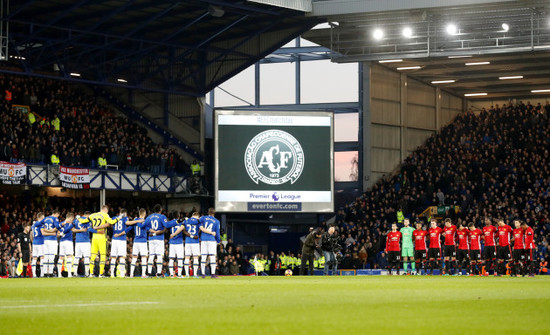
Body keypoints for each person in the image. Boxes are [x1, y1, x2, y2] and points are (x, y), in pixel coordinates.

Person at [78, 205, 122, 277]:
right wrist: (119, 218)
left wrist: (78, 217)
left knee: (93, 255)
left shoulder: (93, 215)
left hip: (94, 237)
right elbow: (111, 222)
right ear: (106, 210)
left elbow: (83, 221)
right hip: (101, 237)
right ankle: (100, 274)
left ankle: (91, 273)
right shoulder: (105, 215)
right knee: (102, 255)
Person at [109, 209, 143, 278]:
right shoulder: (125, 218)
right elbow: (127, 223)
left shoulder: (114, 218)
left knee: (113, 257)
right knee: (122, 257)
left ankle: (112, 274)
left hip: (114, 239)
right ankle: (122, 274)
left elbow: (110, 224)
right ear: (125, 214)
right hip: (121, 239)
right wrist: (137, 221)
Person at [166, 212, 195, 277]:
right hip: (179, 242)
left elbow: (166, 229)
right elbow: (184, 230)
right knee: (180, 259)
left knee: (171, 259)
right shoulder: (181, 222)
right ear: (178, 216)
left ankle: (171, 274)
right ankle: (179, 274)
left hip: (172, 242)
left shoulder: (171, 222)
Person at [144, 204, 167, 277]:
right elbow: (165, 227)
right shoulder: (162, 217)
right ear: (160, 210)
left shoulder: (149, 217)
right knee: (159, 256)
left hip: (151, 239)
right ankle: (159, 273)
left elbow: (144, 226)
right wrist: (158, 232)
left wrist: (151, 231)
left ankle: (149, 273)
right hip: (159, 239)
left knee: (151, 255)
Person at [199, 208, 221, 278]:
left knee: (203, 257)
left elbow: (198, 224)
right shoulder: (217, 221)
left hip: (203, 239)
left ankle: (203, 274)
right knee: (212, 257)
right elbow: (217, 233)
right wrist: (218, 241)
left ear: (208, 212)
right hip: (211, 240)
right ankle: (213, 274)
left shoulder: (203, 218)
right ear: (214, 213)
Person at [72, 211, 92, 277]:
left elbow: (72, 229)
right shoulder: (87, 220)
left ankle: (75, 273)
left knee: (76, 257)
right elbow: (89, 229)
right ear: (88, 215)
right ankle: (87, 273)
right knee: (86, 257)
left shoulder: (76, 220)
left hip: (78, 241)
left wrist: (78, 230)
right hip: (85, 240)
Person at [41, 210, 61, 277]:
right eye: (58, 215)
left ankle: (45, 273)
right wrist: (52, 231)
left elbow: (42, 227)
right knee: (52, 256)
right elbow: (58, 227)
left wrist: (47, 231)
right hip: (52, 240)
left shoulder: (45, 218)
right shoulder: (55, 218)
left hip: (45, 240)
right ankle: (50, 272)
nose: (58, 216)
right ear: (56, 214)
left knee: (46, 256)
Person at [130, 209, 148, 278]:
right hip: (143, 241)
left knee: (134, 257)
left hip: (136, 241)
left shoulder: (135, 221)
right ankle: (143, 274)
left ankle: (131, 274)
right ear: (144, 214)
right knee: (144, 257)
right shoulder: (144, 221)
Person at [183, 212, 201, 277]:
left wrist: (190, 235)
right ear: (197, 216)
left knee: (187, 258)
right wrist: (194, 236)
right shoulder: (198, 221)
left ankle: (187, 274)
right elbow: (199, 230)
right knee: (195, 258)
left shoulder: (186, 220)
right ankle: (195, 274)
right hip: (195, 242)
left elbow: (183, 230)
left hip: (187, 241)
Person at [57, 213, 75, 278]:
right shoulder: (70, 224)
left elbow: (58, 233)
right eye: (72, 219)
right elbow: (68, 229)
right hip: (68, 241)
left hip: (61, 242)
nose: (72, 220)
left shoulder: (61, 223)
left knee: (61, 257)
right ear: (70, 218)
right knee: (69, 257)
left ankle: (59, 274)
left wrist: (61, 233)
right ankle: (69, 274)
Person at [31, 213, 46, 278]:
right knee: (42, 257)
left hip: (34, 243)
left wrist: (32, 241)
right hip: (40, 243)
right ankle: (42, 274)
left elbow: (31, 234)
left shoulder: (33, 225)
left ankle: (34, 274)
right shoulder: (41, 225)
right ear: (41, 218)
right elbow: (43, 233)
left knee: (34, 258)